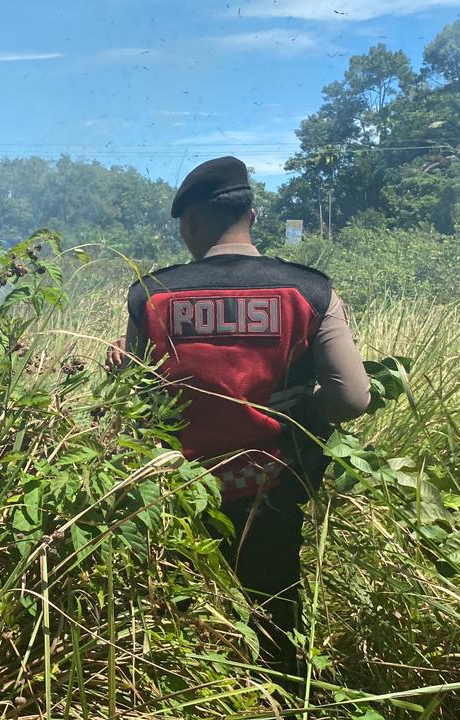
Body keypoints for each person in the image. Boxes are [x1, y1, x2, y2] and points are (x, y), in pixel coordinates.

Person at [106, 156, 371, 676]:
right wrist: (303, 409)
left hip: (179, 494)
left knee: (185, 626)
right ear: (251, 214)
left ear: (189, 223)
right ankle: (281, 697)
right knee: (273, 619)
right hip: (271, 488)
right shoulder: (310, 290)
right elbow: (352, 397)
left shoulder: (152, 296)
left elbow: (134, 400)